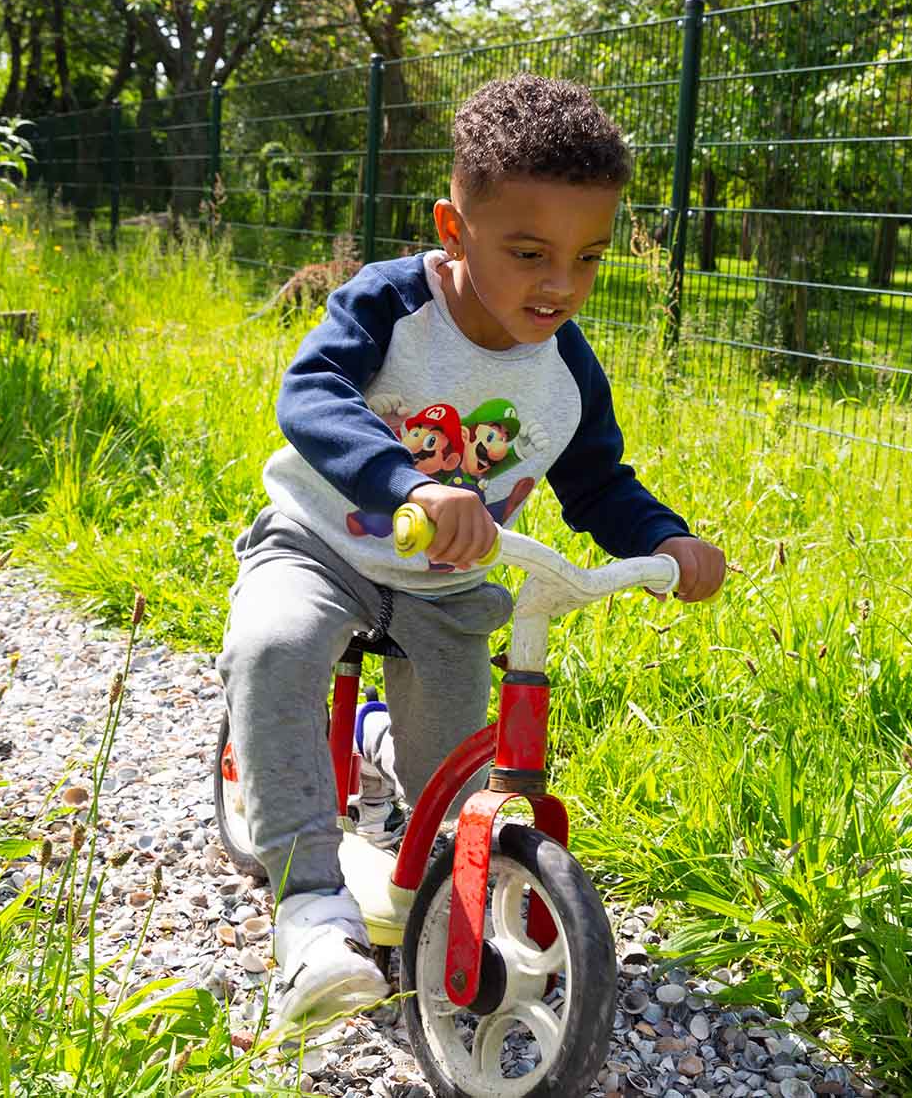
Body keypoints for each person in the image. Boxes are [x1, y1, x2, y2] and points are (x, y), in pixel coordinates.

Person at [219, 73, 727, 1030]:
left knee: (450, 775)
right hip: (322, 542)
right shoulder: (393, 304)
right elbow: (311, 392)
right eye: (529, 253)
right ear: (454, 230)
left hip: (443, 589)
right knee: (274, 646)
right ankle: (310, 910)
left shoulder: (566, 369)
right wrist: (409, 484)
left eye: (588, 258)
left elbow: (598, 482)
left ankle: (427, 846)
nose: (561, 285)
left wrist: (665, 538)